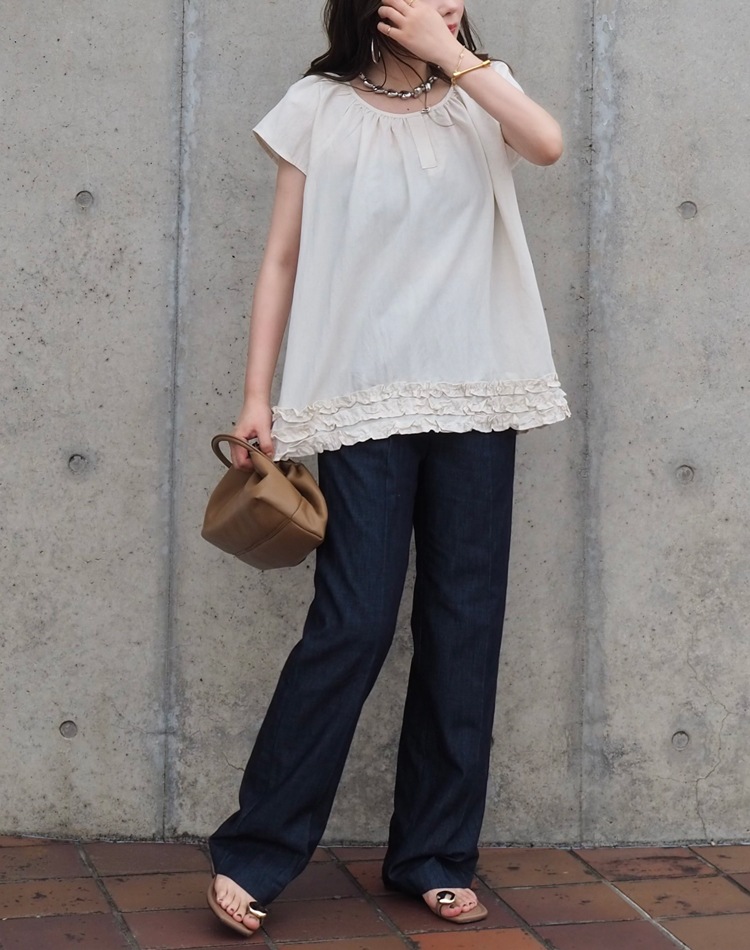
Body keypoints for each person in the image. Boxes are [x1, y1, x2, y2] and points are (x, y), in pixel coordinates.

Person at [206, 0, 569, 937]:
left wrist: (454, 55)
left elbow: (546, 145)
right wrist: (258, 396)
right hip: (361, 395)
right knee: (353, 620)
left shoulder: (483, 90)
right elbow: (282, 260)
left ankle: (435, 856)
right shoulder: (317, 106)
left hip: (478, 388)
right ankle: (256, 849)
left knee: (464, 622)